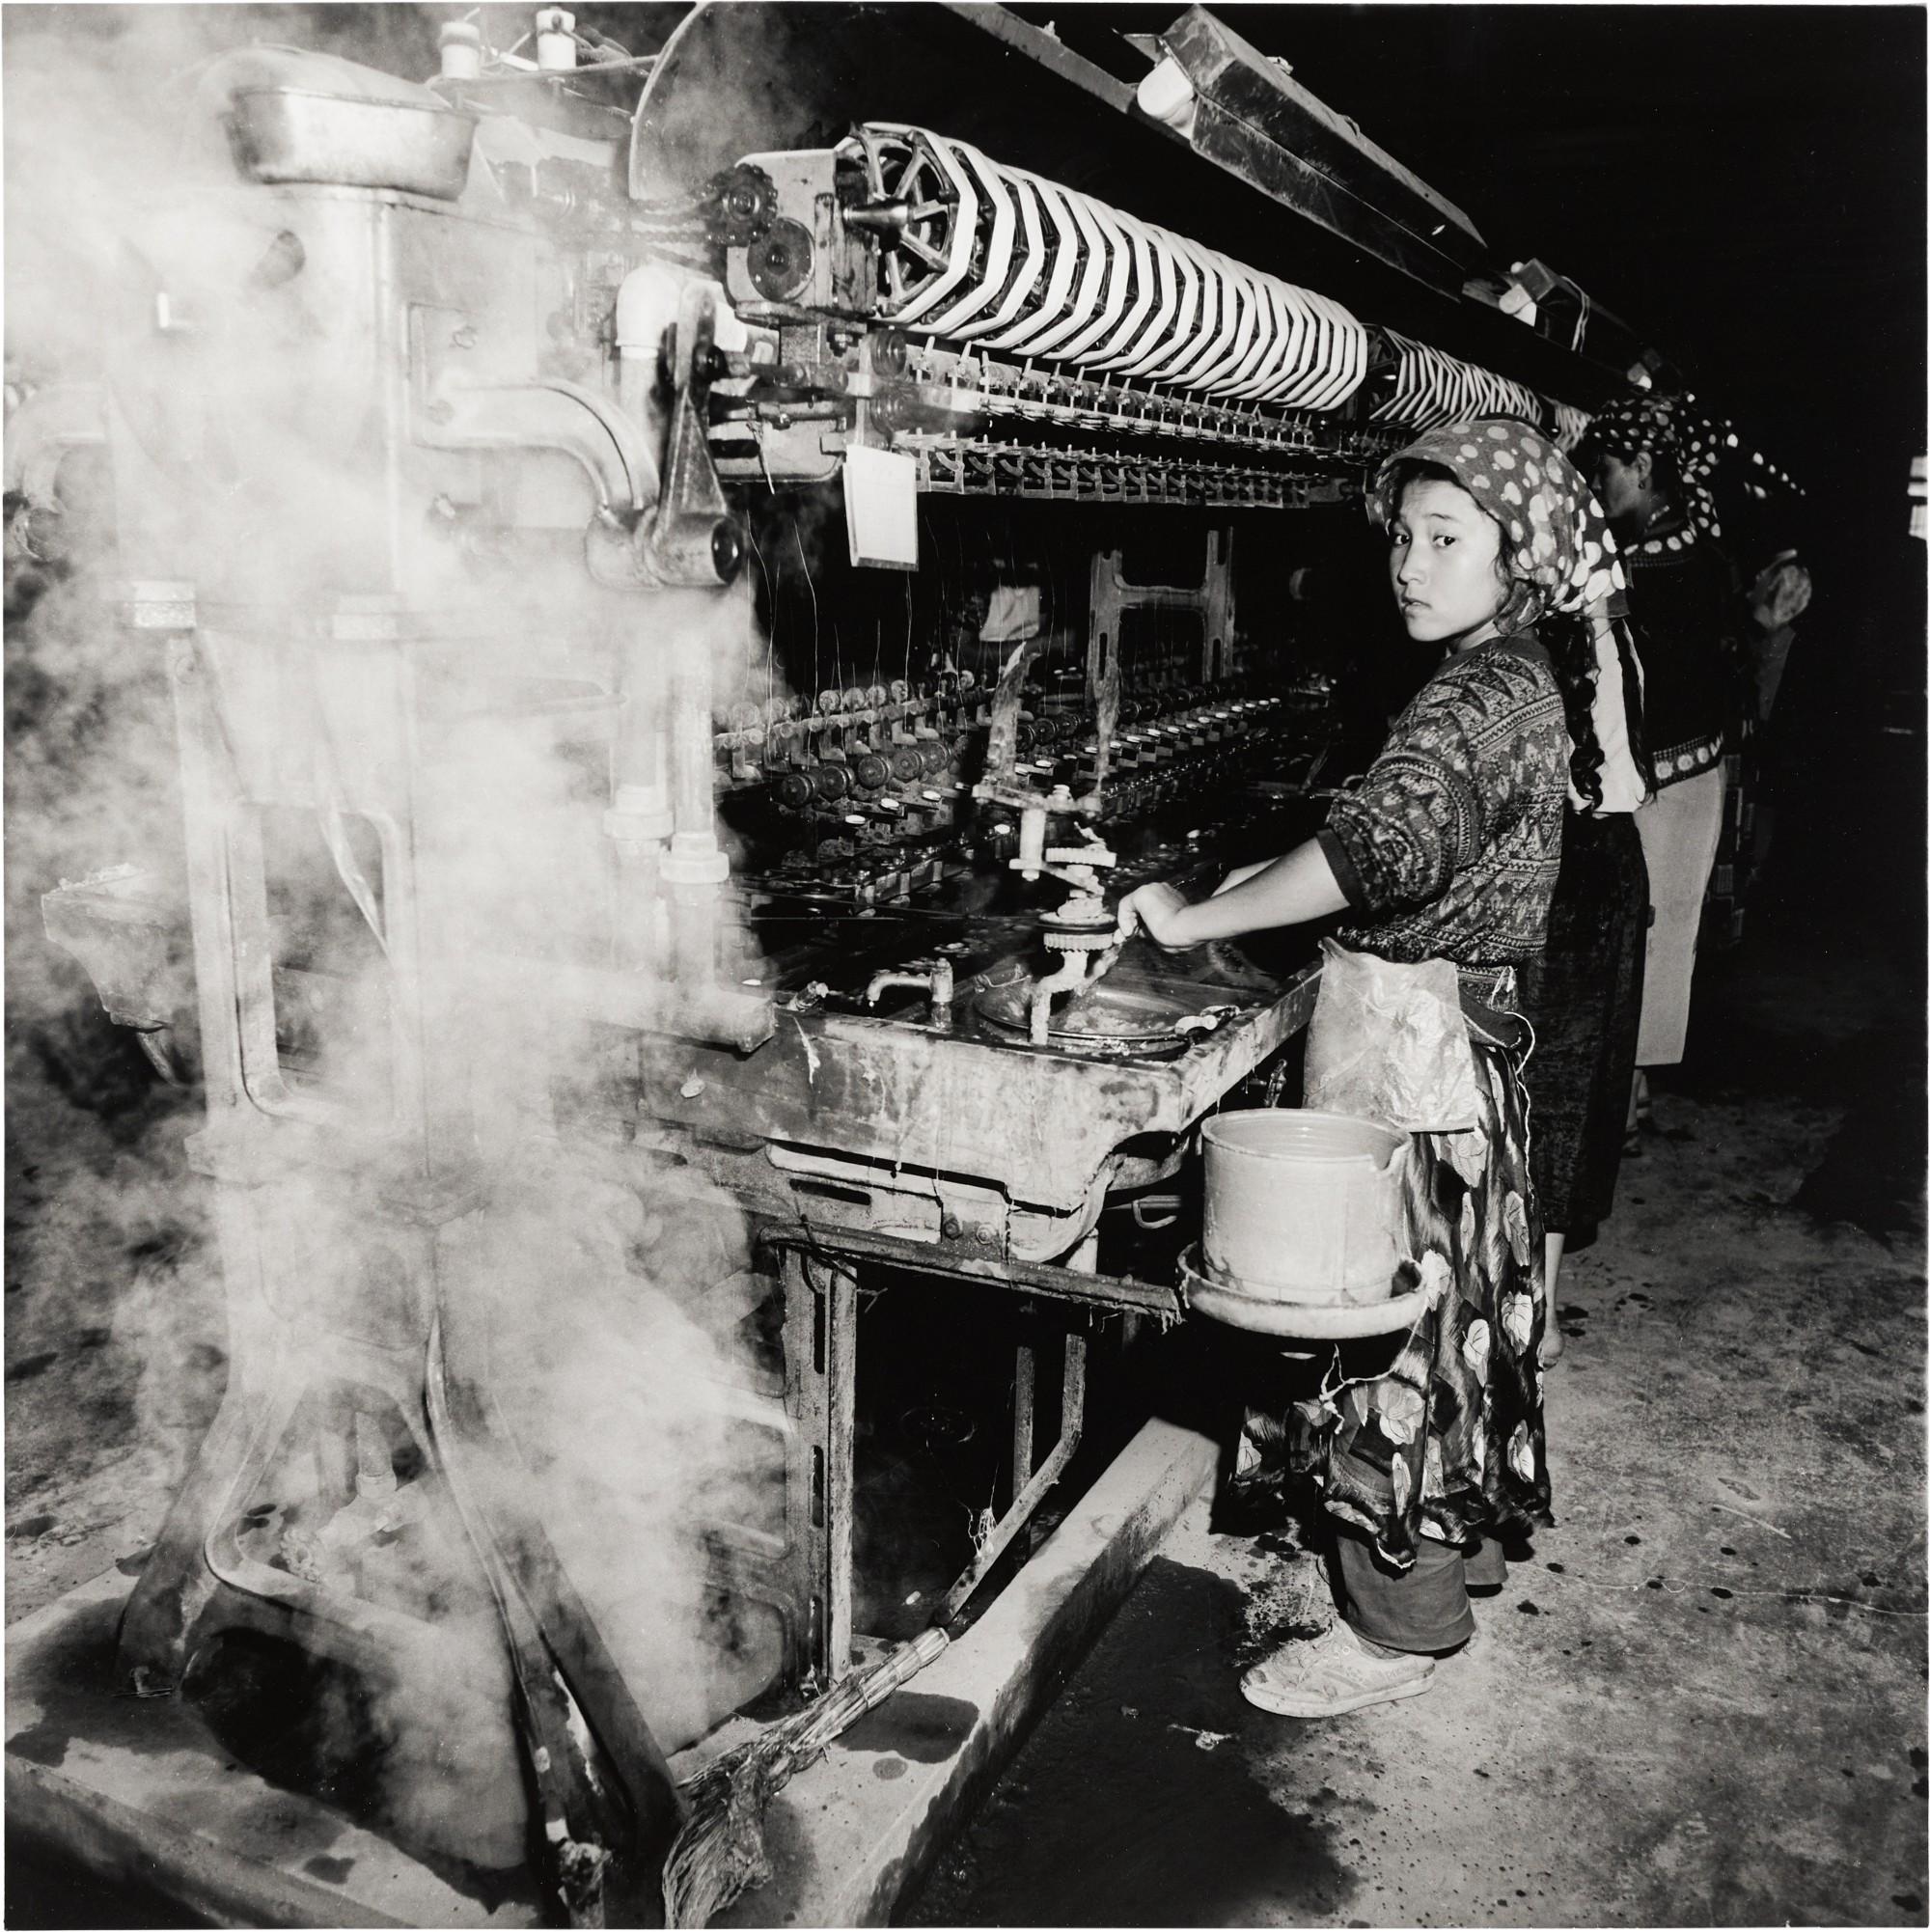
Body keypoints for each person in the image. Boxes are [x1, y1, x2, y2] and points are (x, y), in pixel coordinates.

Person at [1119, 419, 1621, 1717]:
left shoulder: (1471, 696)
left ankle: (1400, 1628)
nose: (1411, 561)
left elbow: (1375, 855)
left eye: (1447, 538)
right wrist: (1253, 881)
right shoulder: (1513, 673)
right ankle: (1460, 1544)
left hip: (1413, 1056)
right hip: (1459, 1044)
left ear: (1520, 556)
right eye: (1404, 534)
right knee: (1454, 1314)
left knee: (1379, 1338)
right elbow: (1393, 840)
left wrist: (1194, 919)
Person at [1582, 394, 1743, 1123]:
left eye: (1606, 473)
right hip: (1691, 775)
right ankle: (1629, 1086)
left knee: (1643, 929)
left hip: (1664, 789)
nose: (1598, 490)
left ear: (1644, 467)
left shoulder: (1647, 575)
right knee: (1659, 932)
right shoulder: (1699, 557)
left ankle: (1625, 1092)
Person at [1514, 535, 1654, 1361]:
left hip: (1574, 869)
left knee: (1551, 1082)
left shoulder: (1575, 639)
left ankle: (1537, 1307)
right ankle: (1542, 1303)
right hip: (1602, 863)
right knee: (1566, 1081)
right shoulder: (1606, 625)